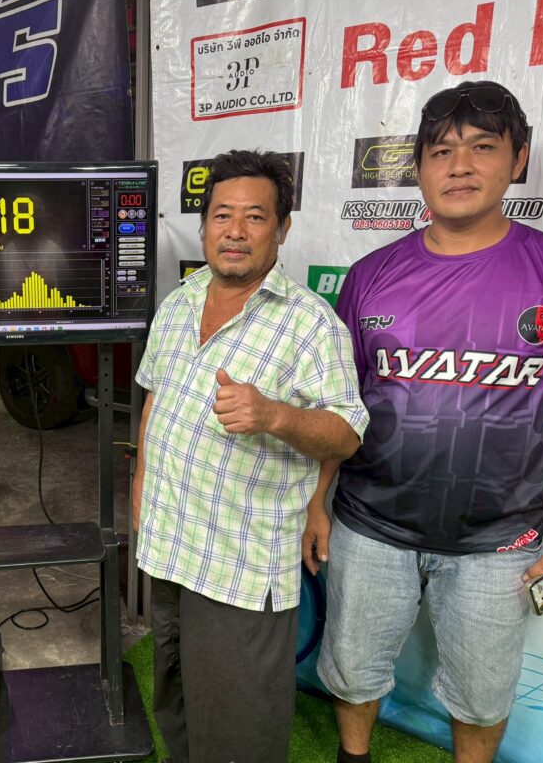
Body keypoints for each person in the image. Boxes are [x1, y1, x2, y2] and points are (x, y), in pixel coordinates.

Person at [307, 80, 543, 763]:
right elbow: (340, 406)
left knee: (482, 695)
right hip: (370, 523)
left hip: (498, 540)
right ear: (419, 167)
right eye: (441, 151)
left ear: (517, 158)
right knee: (352, 670)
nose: (460, 166)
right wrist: (317, 500)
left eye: (482, 147)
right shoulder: (370, 275)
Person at [132, 149, 369, 762]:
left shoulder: (311, 324)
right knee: (177, 704)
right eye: (222, 215)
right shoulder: (179, 303)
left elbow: (346, 433)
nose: (235, 231)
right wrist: (140, 495)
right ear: (204, 225)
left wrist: (274, 416)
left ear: (282, 229)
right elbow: (155, 401)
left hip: (239, 564)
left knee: (238, 731)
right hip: (169, 546)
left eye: (255, 217)